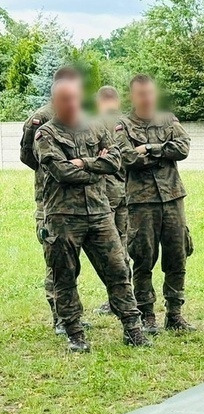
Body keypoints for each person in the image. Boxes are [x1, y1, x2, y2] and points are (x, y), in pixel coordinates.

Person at [34, 77, 151, 352]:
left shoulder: (96, 126)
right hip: (63, 216)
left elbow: (115, 160)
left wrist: (84, 163)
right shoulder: (46, 134)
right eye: (65, 100)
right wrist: (95, 168)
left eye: (75, 98)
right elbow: (60, 172)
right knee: (64, 275)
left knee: (118, 269)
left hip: (100, 213)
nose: (72, 104)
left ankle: (133, 328)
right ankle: (75, 334)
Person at [115, 74, 195, 334]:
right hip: (141, 202)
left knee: (177, 256)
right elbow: (127, 158)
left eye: (150, 93)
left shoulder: (168, 119)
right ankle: (147, 315)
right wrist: (163, 152)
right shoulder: (122, 126)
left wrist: (149, 148)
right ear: (132, 97)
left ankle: (174, 313)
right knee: (142, 259)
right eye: (141, 94)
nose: (147, 98)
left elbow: (183, 148)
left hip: (172, 199)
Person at [20, 66, 90, 336]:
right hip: (51, 202)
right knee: (57, 262)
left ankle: (72, 315)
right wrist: (55, 170)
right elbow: (29, 157)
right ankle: (60, 317)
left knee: (75, 263)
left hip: (83, 202)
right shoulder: (40, 119)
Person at [93, 85, 129, 317]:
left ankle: (114, 300)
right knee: (123, 243)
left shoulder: (94, 123)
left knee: (108, 250)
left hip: (106, 191)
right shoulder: (129, 122)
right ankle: (129, 297)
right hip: (131, 190)